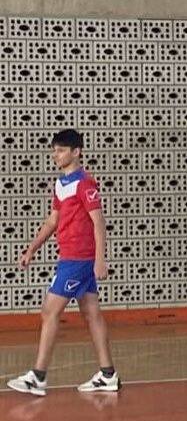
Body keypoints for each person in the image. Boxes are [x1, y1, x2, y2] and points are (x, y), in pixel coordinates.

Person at [7, 128, 120, 395]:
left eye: (60, 150)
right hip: (69, 256)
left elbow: (99, 222)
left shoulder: (85, 184)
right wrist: (31, 249)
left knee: (50, 311)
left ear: (76, 152)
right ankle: (108, 375)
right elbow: (53, 220)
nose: (55, 155)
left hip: (78, 259)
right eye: (54, 150)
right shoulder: (61, 184)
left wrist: (100, 260)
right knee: (91, 313)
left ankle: (38, 376)